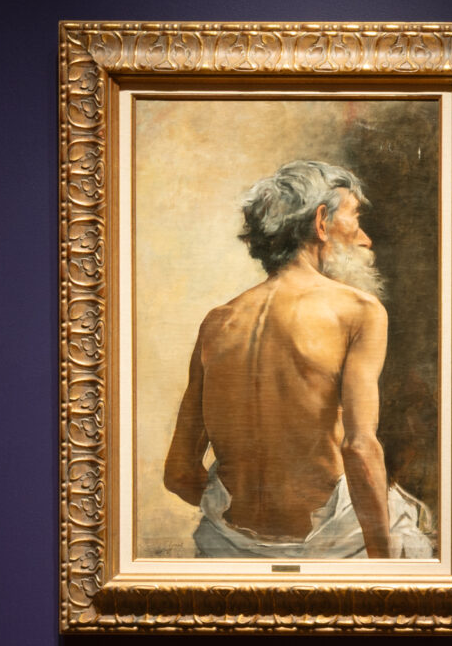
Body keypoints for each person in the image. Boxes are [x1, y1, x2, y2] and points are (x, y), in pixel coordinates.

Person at [162, 159, 435, 559]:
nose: (365, 239)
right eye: (355, 218)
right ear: (321, 222)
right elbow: (360, 448)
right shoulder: (359, 310)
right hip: (338, 545)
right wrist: (382, 566)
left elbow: (178, 473)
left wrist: (249, 528)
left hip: (229, 547)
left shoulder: (217, 322)